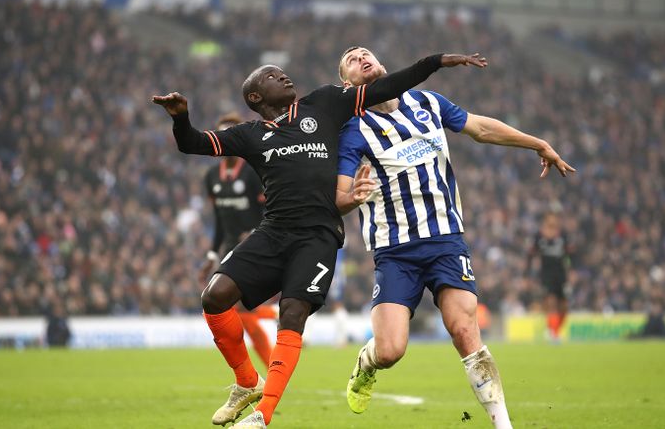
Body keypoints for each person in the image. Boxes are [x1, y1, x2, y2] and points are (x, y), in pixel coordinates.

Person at [152, 51, 486, 428]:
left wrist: (435, 61)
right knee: (214, 297)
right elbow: (193, 143)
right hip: (273, 231)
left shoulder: (324, 104)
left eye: (283, 72)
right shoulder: (250, 134)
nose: (285, 77)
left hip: (318, 237)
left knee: (291, 314)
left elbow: (389, 85)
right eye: (273, 76)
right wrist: (181, 118)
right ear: (256, 98)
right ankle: (247, 383)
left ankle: (262, 416)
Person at [334, 46, 575, 429]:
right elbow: (339, 197)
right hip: (395, 251)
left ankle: (502, 424)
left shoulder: (427, 102)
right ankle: (368, 361)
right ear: (346, 83)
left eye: (366, 52)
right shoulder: (352, 129)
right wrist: (351, 198)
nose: (361, 56)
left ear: (381, 63)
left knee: (464, 330)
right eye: (351, 59)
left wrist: (537, 143)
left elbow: (480, 127)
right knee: (391, 350)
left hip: (446, 240)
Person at [200, 112, 275, 366]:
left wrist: (256, 231)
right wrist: (211, 255)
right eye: (223, 134)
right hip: (230, 248)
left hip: (256, 245)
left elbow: (270, 209)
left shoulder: (254, 172)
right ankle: (272, 318)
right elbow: (219, 220)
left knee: (238, 309)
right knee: (236, 310)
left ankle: (261, 373)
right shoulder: (211, 177)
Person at [527, 213, 574, 342]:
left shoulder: (563, 235)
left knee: (564, 306)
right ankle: (552, 332)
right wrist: (527, 274)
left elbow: (571, 254)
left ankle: (555, 331)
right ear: (546, 221)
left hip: (561, 274)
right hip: (546, 274)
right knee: (551, 302)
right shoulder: (539, 236)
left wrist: (573, 271)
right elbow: (531, 254)